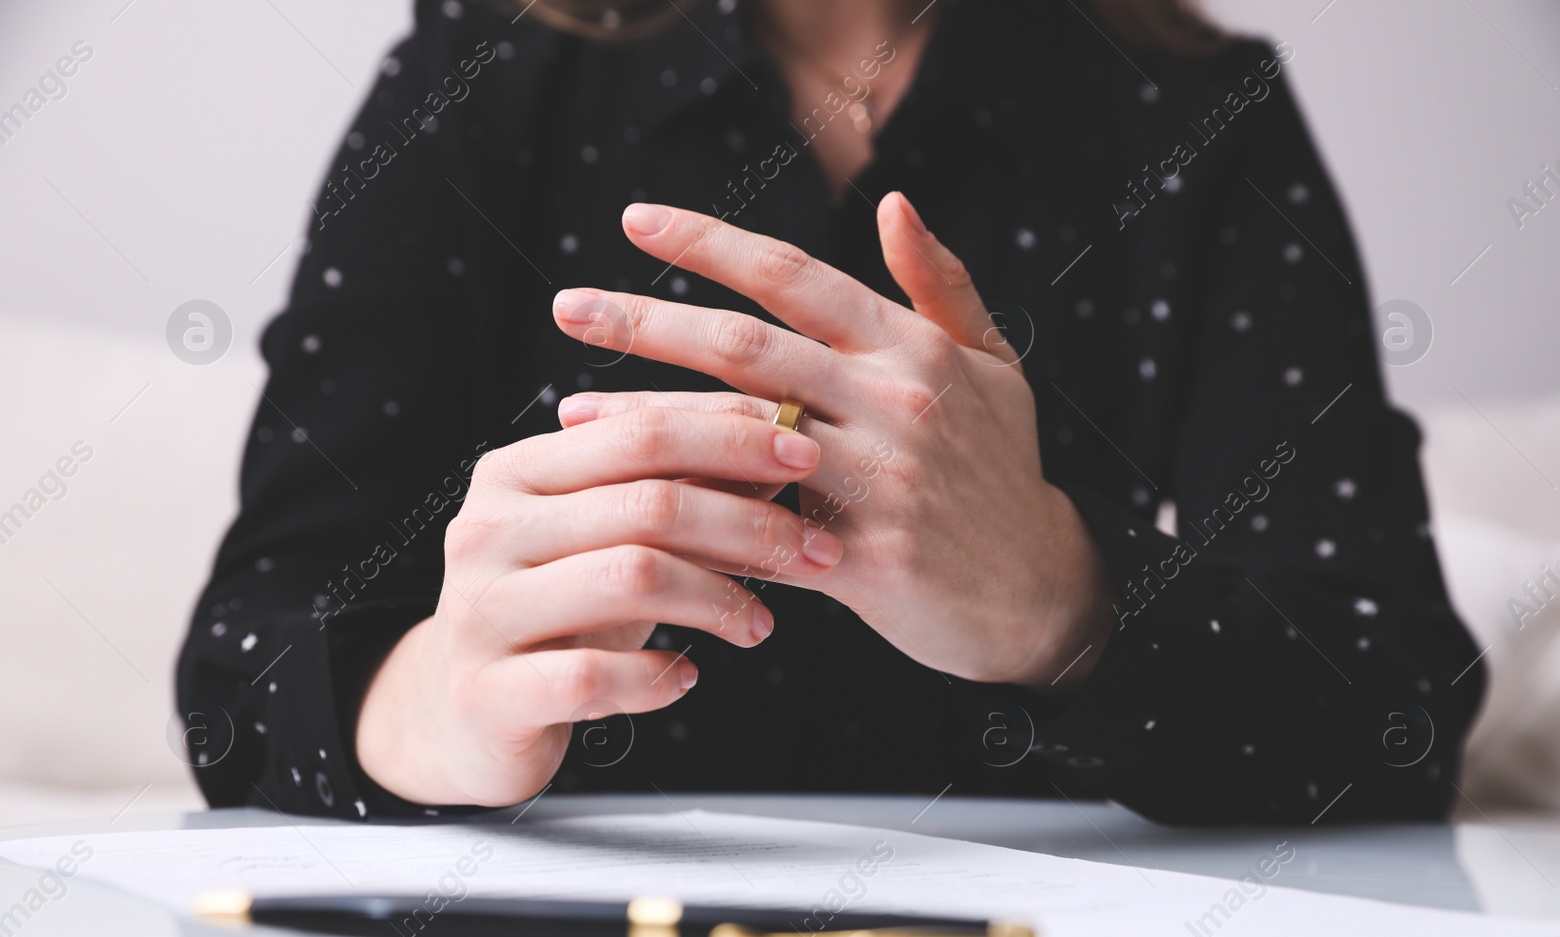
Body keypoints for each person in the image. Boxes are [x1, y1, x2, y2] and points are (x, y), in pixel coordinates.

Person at [178, 0, 1483, 824]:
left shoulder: (1200, 115)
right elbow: (239, 669)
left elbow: (1400, 704)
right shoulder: (479, 78)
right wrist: (430, 708)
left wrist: (1068, 603)